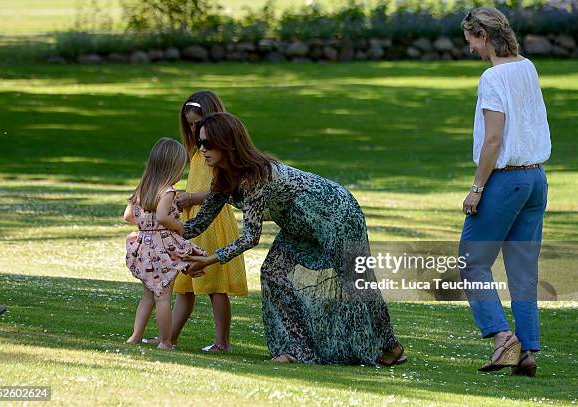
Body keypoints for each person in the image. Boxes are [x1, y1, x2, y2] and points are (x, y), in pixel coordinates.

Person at [181, 112, 406, 365]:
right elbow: (198, 223)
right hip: (298, 221)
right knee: (273, 271)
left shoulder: (256, 177)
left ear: (228, 143)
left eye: (208, 143)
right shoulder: (222, 178)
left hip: (335, 213)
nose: (202, 149)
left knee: (354, 279)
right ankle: (296, 351)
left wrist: (208, 260)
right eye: (200, 143)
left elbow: (251, 238)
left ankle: (391, 346)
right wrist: (159, 226)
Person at [459, 7, 551, 377]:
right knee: (523, 269)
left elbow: (494, 139)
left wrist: (476, 189)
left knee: (471, 261)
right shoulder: (528, 67)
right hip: (536, 181)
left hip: (507, 180)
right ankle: (527, 352)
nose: (471, 50)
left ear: (484, 36)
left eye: (472, 42)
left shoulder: (493, 77)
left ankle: (501, 338)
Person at [167, 91, 248, 352]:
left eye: (196, 123)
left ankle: (223, 342)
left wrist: (191, 197)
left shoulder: (218, 153)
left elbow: (223, 193)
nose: (193, 129)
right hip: (196, 220)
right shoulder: (198, 153)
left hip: (213, 222)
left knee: (215, 285)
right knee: (185, 286)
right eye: (189, 124)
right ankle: (169, 338)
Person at [124, 138, 206, 350]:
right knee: (163, 296)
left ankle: (135, 336)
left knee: (148, 295)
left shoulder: (143, 187)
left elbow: (128, 216)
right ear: (172, 167)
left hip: (143, 246)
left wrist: (145, 223)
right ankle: (165, 341)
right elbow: (162, 216)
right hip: (162, 249)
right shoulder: (168, 191)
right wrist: (177, 225)